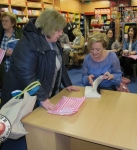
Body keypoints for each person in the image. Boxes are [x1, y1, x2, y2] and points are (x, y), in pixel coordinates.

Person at [0, 8, 79, 150]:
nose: (62, 33)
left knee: (36, 127)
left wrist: (67, 84)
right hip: (21, 94)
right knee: (18, 129)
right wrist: (43, 98)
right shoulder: (28, 43)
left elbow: (59, 64)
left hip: (38, 91)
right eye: (59, 30)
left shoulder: (52, 40)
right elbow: (26, 75)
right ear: (48, 28)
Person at [0, 12, 23, 92]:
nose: (4, 22)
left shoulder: (21, 34)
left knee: (18, 93)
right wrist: (5, 53)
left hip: (18, 70)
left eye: (6, 21)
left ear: (12, 23)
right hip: (4, 70)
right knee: (6, 93)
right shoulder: (1, 35)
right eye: (2, 21)